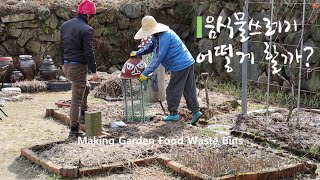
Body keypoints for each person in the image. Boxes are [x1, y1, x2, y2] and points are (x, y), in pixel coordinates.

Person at [131, 16, 202, 125]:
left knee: (172, 89)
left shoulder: (164, 36)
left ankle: (173, 113)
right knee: (188, 88)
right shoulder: (158, 35)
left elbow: (158, 56)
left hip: (180, 65)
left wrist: (146, 72)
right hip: (188, 61)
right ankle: (196, 111)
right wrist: (138, 52)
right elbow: (151, 46)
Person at [60, 0, 100, 137]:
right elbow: (89, 52)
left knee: (85, 87)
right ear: (88, 16)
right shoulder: (86, 29)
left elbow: (61, 46)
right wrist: (94, 71)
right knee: (76, 99)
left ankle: (83, 113)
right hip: (77, 67)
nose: (92, 19)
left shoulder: (65, 25)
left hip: (66, 66)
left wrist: (61, 63)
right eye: (92, 16)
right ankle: (74, 130)